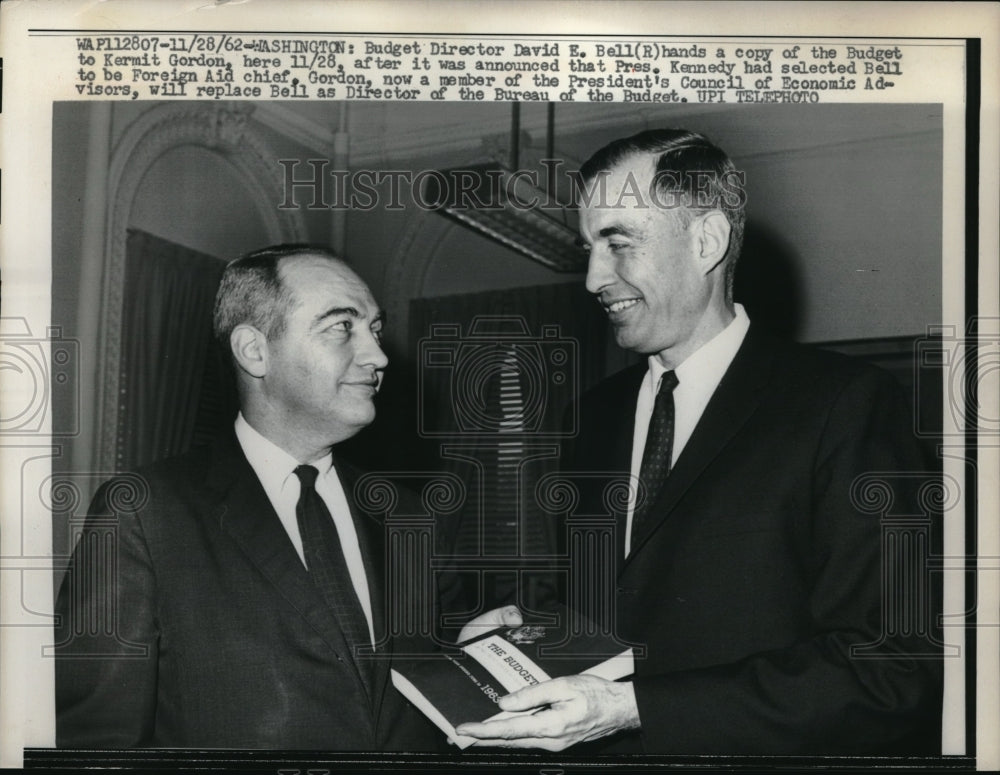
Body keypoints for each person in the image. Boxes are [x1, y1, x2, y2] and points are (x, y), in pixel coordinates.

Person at [455, 129, 942, 754]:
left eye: (618, 243)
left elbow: (891, 666)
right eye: (589, 248)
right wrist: (527, 636)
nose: (593, 278)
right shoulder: (591, 416)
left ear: (706, 241)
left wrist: (634, 708)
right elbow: (613, 606)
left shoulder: (843, 404)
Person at [54, 245, 439, 750]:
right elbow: (96, 742)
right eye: (343, 327)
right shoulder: (145, 513)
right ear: (254, 351)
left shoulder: (406, 514)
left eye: (376, 329)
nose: (378, 356)